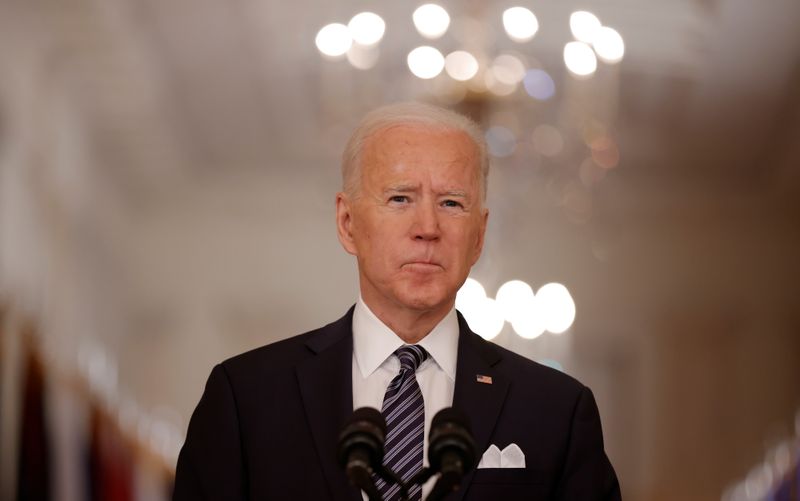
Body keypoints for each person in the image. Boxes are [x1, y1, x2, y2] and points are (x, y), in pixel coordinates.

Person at [173, 102, 621, 500]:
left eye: (451, 203)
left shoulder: (556, 410)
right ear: (348, 223)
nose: (427, 226)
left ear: (479, 235)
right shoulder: (246, 398)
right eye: (400, 198)